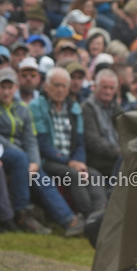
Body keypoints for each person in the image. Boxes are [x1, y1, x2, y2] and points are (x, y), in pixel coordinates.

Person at [0, 66, 84, 235]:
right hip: (4, 154)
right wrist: (24, 158)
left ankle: (68, 221)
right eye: (2, 87)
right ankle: (22, 211)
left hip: (22, 159)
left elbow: (31, 139)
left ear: (16, 88)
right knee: (19, 159)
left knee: (40, 176)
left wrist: (35, 162)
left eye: (10, 87)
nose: (6, 91)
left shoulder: (22, 108)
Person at [29, 66, 106, 216]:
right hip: (48, 160)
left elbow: (80, 143)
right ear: (46, 86)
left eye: (63, 86)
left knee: (94, 175)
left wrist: (80, 163)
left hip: (71, 160)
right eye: (56, 85)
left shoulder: (74, 108)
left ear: (68, 88)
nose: (60, 90)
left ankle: (100, 216)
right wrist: (69, 162)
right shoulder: (36, 106)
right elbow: (42, 144)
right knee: (74, 175)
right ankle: (88, 215)